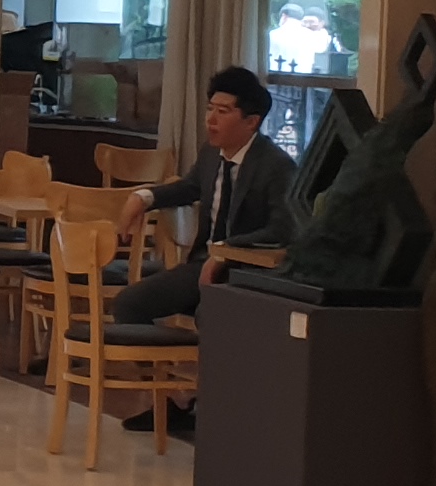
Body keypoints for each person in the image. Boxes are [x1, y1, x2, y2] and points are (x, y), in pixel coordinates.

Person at [113, 64, 301, 328]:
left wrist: (226, 251)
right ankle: (155, 356)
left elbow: (282, 230)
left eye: (222, 112)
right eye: (210, 108)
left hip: (246, 272)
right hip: (202, 264)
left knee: (210, 315)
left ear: (251, 122)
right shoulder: (211, 153)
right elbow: (189, 187)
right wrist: (143, 198)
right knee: (128, 304)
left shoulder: (277, 166)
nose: (211, 119)